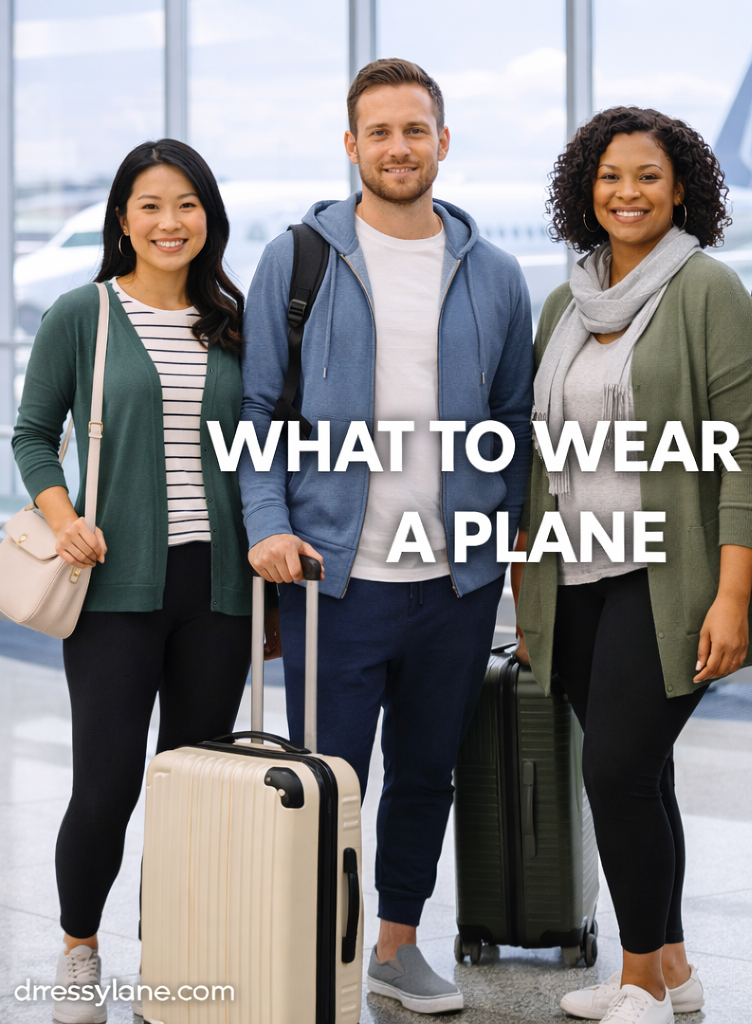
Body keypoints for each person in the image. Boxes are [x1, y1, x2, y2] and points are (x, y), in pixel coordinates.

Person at [239, 58, 533, 1014]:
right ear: (353, 145)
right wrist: (269, 525)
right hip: (336, 578)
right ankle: (312, 947)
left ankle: (396, 948)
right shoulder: (299, 257)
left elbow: (515, 424)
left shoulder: (492, 274)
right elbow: (255, 410)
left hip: (455, 579)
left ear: (443, 141)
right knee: (328, 780)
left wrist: (509, 560)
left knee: (426, 774)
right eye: (380, 132)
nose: (399, 148)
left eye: (417, 130)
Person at [513, 107, 752, 1024]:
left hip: (672, 576)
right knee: (642, 773)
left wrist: (734, 594)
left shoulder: (708, 291)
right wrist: (524, 569)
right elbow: (540, 457)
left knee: (617, 769)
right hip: (574, 574)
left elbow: (748, 452)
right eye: (611, 176)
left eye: (649, 177)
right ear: (586, 188)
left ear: (683, 190)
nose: (627, 194)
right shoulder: (565, 303)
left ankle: (633, 981)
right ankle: (673, 969)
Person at [12, 140, 254, 1024]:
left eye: (187, 204)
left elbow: (261, 448)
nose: (169, 222)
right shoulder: (85, 315)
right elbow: (34, 432)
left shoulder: (234, 318)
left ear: (208, 218)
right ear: (124, 217)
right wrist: (62, 514)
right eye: (151, 205)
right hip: (114, 586)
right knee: (108, 783)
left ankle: (177, 951)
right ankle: (80, 949)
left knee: (193, 791)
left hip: (219, 589)